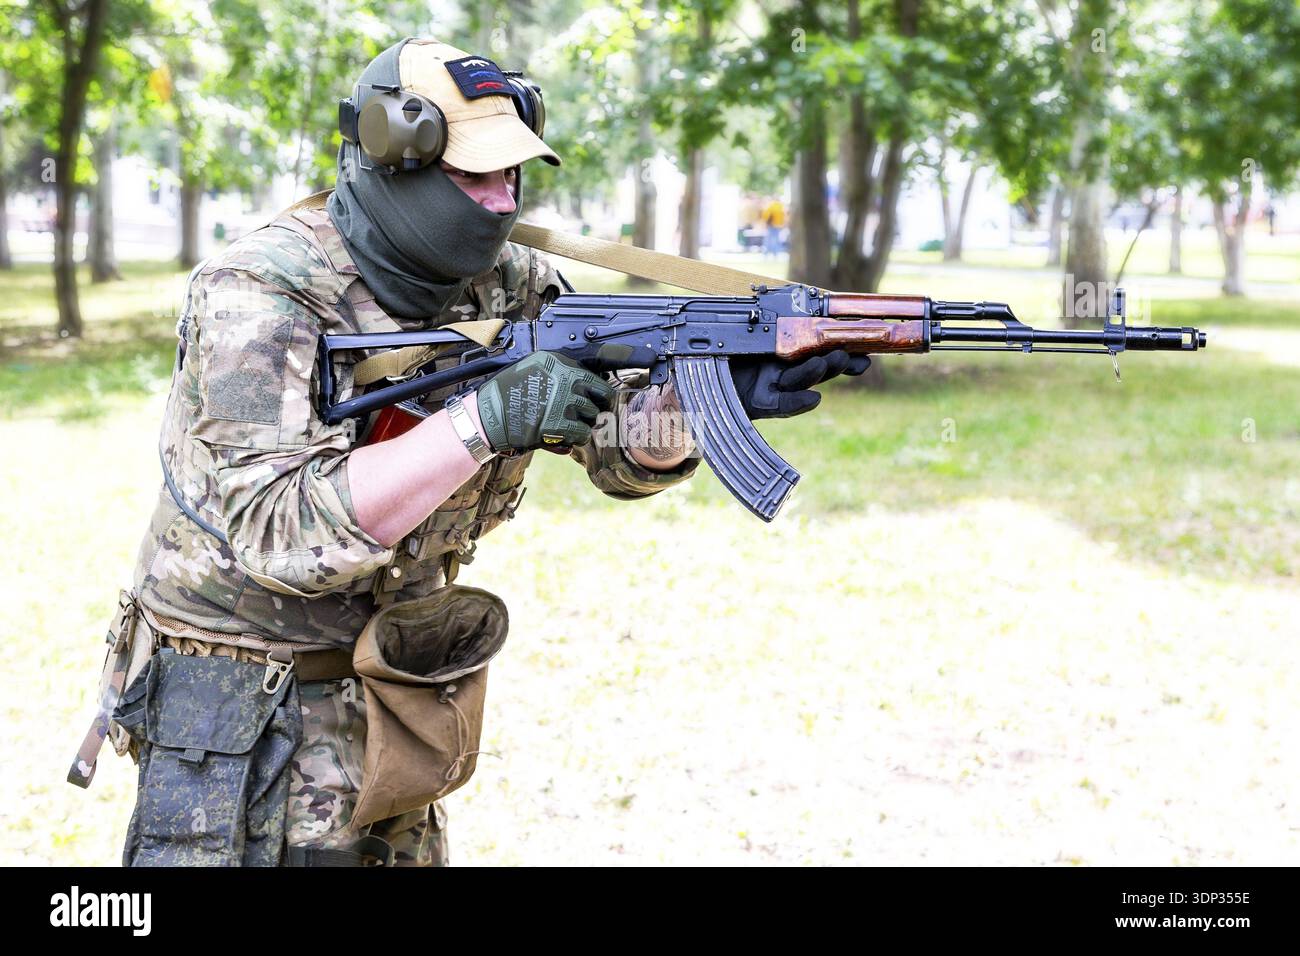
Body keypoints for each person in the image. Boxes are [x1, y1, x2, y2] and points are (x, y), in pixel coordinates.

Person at [84, 37, 867, 868]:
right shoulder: (263, 290)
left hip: (401, 698)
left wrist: (699, 407)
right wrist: (482, 423)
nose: (500, 202)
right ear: (393, 159)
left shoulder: (512, 282)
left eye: (513, 177)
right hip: (241, 722)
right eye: (474, 177)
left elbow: (612, 447)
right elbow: (281, 530)